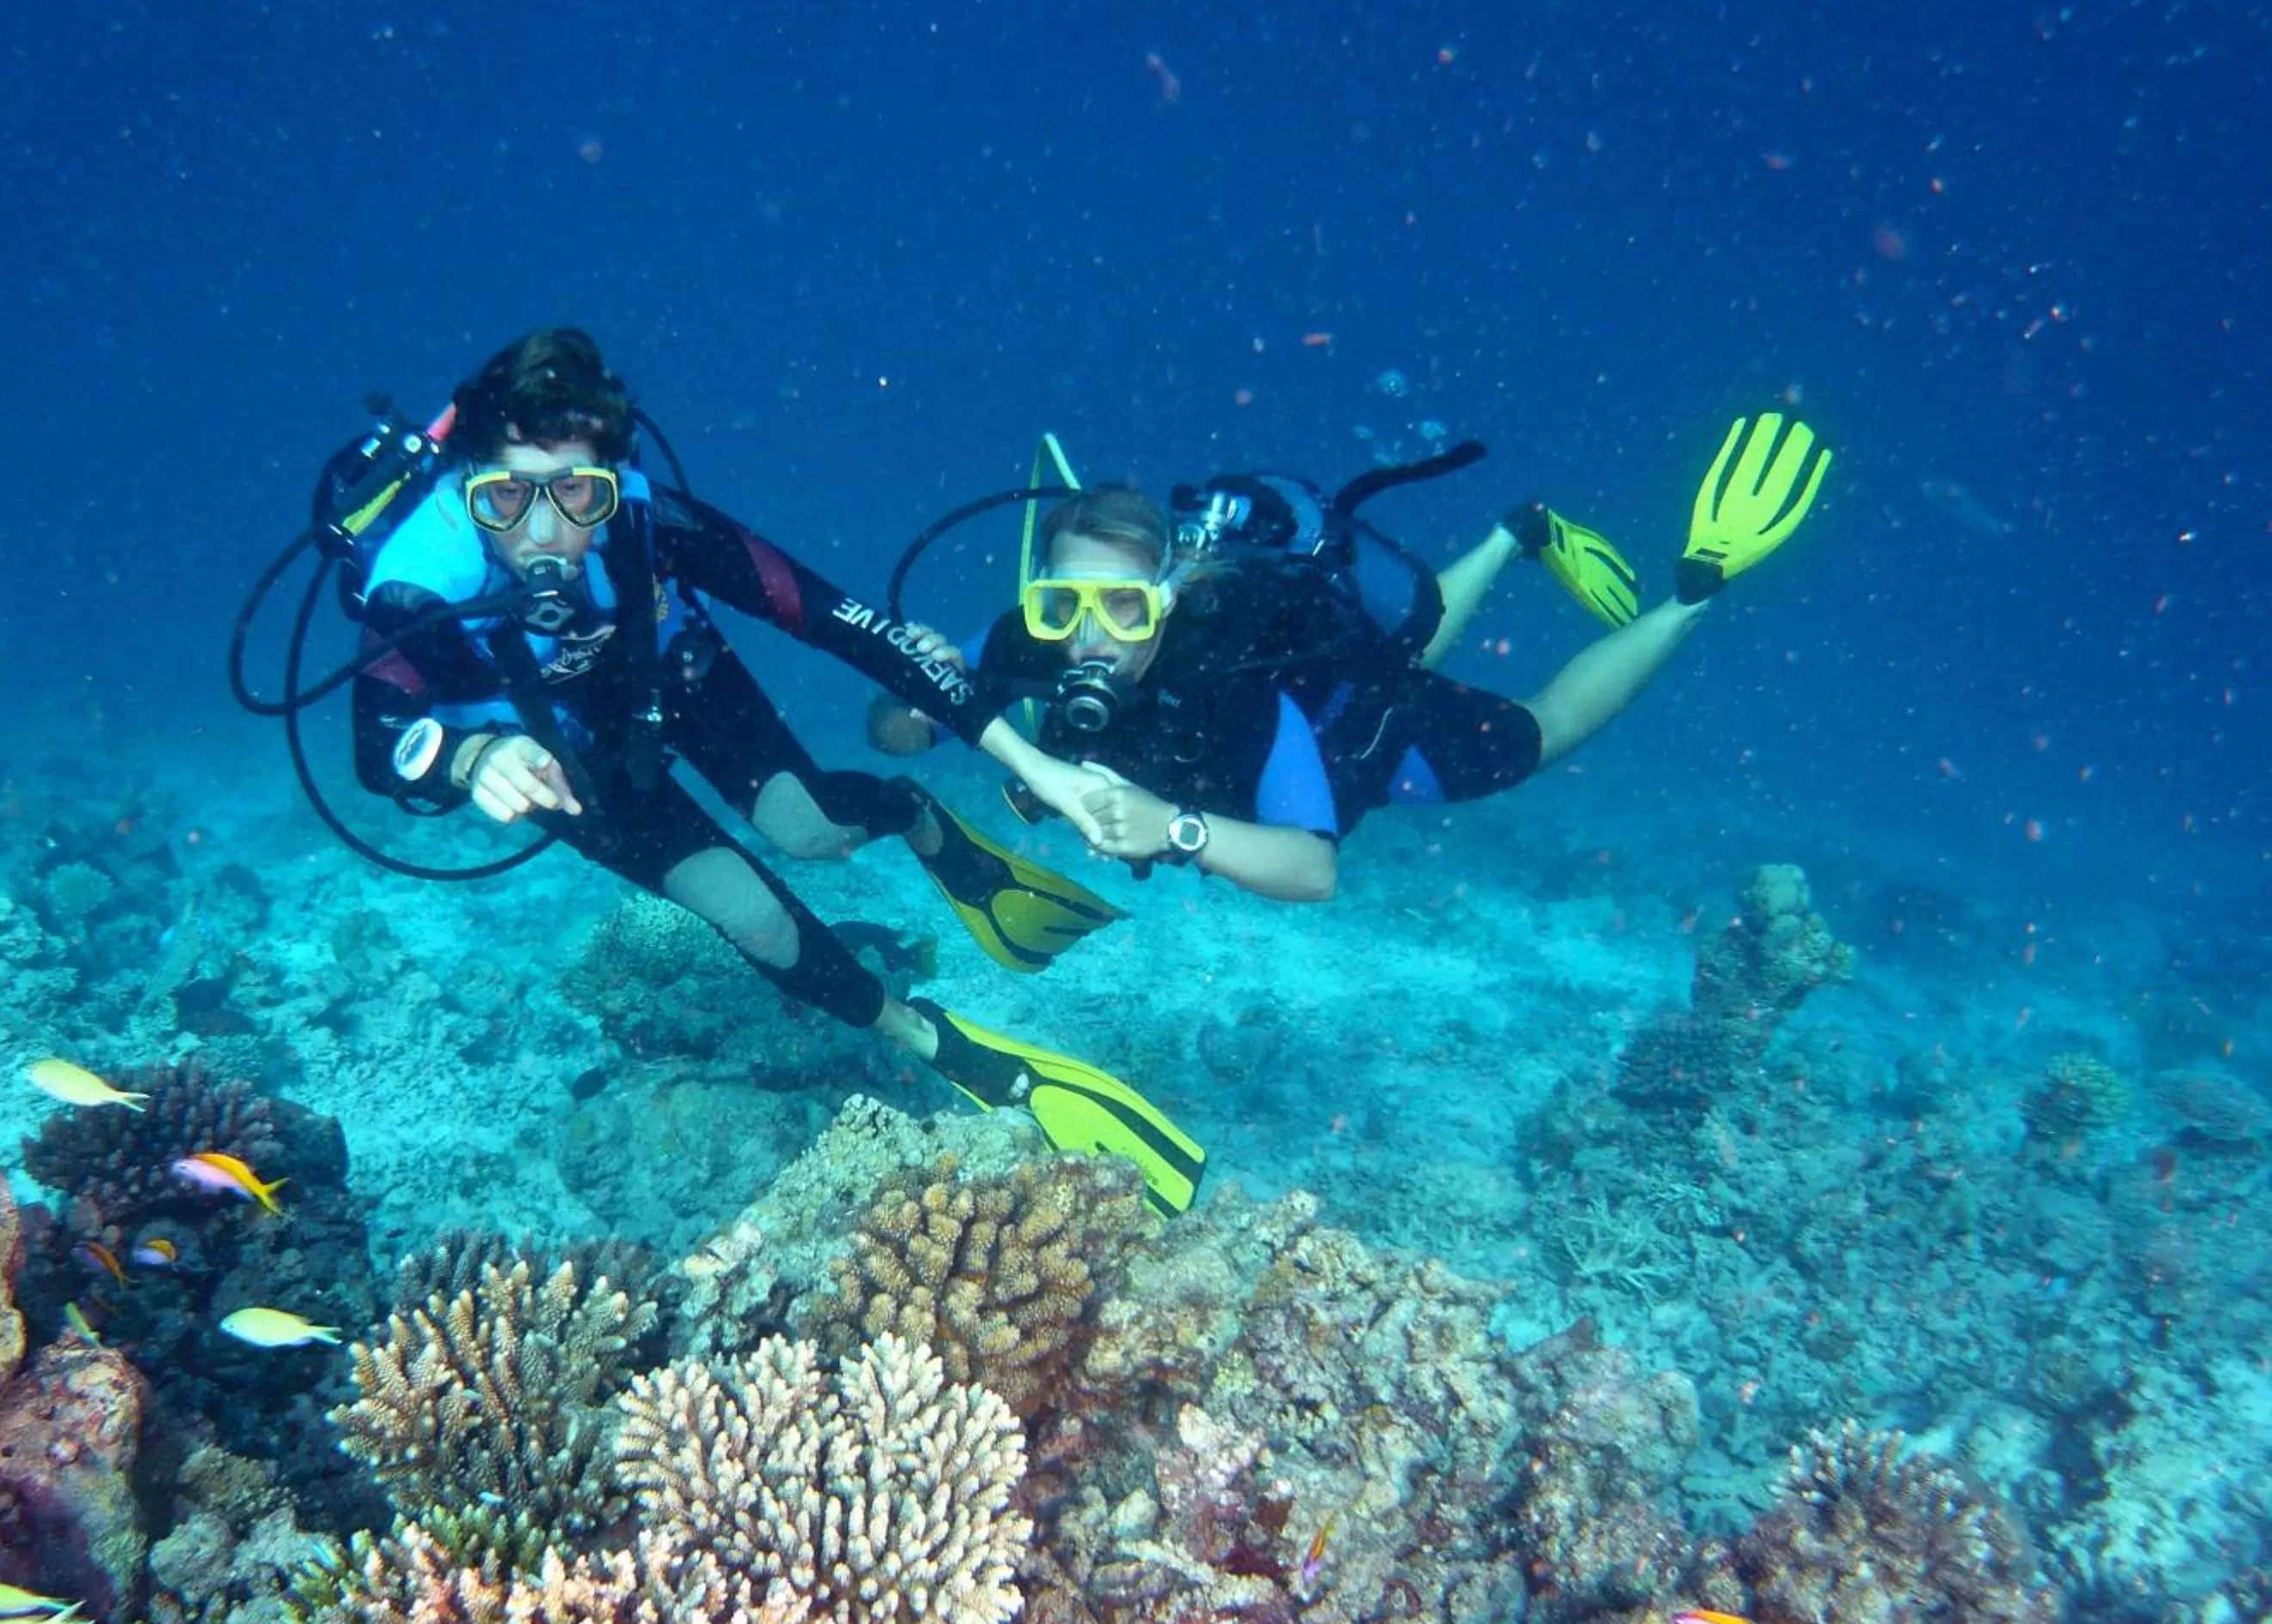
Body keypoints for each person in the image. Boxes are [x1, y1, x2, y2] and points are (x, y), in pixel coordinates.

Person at [349, 327, 1202, 1211]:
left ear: (614, 478)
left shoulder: (648, 520)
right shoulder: (417, 579)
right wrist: (471, 756)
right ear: (463, 486)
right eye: (503, 497)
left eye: (575, 491)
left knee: (811, 830)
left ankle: (917, 817)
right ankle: (932, 1040)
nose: (543, 532)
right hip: (550, 756)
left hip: (674, 679)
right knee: (750, 914)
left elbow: (843, 622)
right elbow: (379, 747)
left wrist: (1034, 766)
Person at [867, 413, 1832, 905]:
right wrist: (912, 694)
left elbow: (1311, 868)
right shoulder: (1026, 641)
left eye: (1123, 607)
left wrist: (1176, 829)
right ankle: (1516, 532)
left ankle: (1693, 590)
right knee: (1404, 639)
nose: (1089, 636)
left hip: (1358, 736)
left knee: (1539, 736)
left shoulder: (1236, 688)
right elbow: (894, 735)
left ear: (1167, 597)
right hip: (1319, 687)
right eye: (1062, 604)